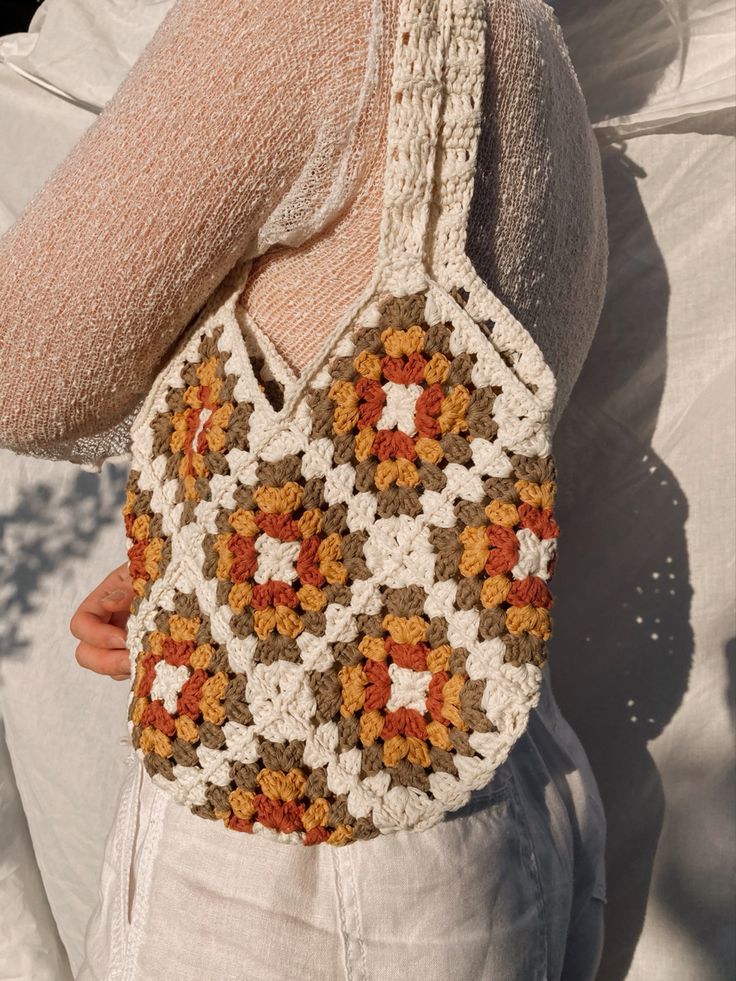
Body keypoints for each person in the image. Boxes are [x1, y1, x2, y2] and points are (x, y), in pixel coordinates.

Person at [0, 1, 609, 978]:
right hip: (477, 784)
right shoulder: (519, 27)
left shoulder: (309, 15)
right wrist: (222, 542)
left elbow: (23, 367)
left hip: (299, 851)